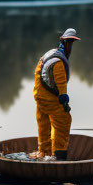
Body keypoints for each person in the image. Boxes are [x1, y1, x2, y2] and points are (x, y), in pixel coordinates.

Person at [33, 28, 80, 160]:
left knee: (44, 123)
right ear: (65, 43)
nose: (71, 46)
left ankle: (44, 152)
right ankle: (59, 155)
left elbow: (38, 73)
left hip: (39, 96)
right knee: (63, 122)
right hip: (48, 98)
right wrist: (64, 101)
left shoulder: (49, 54)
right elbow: (62, 88)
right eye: (70, 43)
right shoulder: (59, 61)